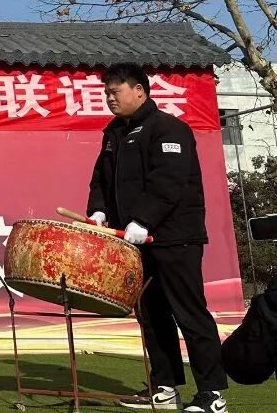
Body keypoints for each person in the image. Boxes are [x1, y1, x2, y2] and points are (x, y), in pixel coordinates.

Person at [86, 63, 228, 413]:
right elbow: (100, 177)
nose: (109, 99)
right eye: (106, 93)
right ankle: (165, 388)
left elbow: (169, 181)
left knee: (189, 313)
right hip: (133, 242)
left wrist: (144, 220)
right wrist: (99, 210)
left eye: (115, 92)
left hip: (175, 238)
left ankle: (212, 395)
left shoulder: (168, 128)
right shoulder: (113, 133)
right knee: (151, 315)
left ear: (139, 90)